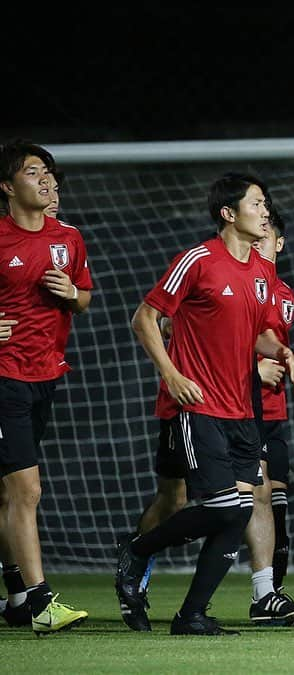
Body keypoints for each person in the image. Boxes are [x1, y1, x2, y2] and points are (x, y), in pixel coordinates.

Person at [116, 173, 294, 636]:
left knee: (237, 511)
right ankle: (138, 551)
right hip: (199, 407)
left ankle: (190, 615)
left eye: (264, 205)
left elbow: (260, 332)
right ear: (228, 213)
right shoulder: (199, 259)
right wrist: (172, 374)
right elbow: (145, 317)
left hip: (243, 410)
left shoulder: (263, 272)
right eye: (257, 204)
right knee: (223, 507)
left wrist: (279, 351)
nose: (264, 211)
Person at [0, 140, 92, 634]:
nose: (46, 180)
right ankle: (39, 603)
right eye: (33, 171)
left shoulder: (69, 237)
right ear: (7, 185)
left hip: (45, 375)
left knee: (9, 495)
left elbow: (86, 298)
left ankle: (16, 598)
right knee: (26, 491)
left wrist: (73, 294)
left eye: (49, 172)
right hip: (3, 376)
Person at [245, 207, 294, 625]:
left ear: (280, 242)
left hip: (272, 409)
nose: (258, 242)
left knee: (277, 502)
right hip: (233, 406)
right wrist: (252, 369)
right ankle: (142, 552)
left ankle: (271, 594)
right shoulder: (235, 279)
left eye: (266, 235)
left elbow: (272, 345)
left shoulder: (284, 293)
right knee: (187, 501)